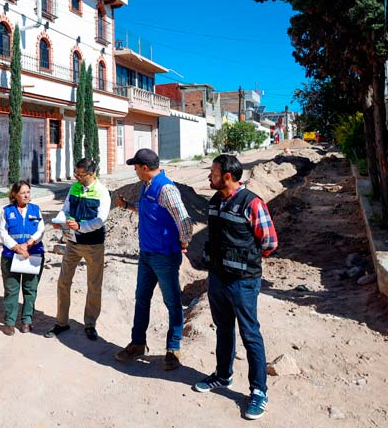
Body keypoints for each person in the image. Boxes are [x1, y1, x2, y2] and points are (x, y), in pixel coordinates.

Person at [192, 154, 278, 421]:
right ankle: (223, 375)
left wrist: (244, 263)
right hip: (217, 278)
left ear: (227, 176)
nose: (209, 176)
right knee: (224, 329)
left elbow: (270, 243)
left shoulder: (252, 203)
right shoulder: (216, 201)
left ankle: (259, 391)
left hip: (243, 282)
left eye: (214, 173)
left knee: (250, 334)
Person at [115, 148, 193, 371]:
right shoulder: (146, 186)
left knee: (172, 302)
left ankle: (173, 348)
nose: (135, 171)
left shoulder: (166, 188)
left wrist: (184, 242)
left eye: (136, 167)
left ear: (145, 168)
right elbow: (149, 210)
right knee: (142, 299)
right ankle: (138, 343)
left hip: (165, 256)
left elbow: (184, 220)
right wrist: (128, 206)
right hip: (146, 254)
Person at [45, 158, 111, 341]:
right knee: (63, 282)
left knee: (93, 285)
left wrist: (80, 226)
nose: (77, 177)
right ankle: (61, 322)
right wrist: (60, 221)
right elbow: (66, 209)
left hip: (93, 245)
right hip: (72, 244)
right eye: (76, 174)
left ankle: (90, 324)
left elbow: (100, 220)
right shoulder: (74, 188)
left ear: (91, 174)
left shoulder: (102, 192)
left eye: (80, 175)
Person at [0, 181, 45, 336]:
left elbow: (41, 229)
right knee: (11, 290)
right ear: (14, 195)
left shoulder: (35, 209)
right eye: (23, 193)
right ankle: (10, 323)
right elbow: (3, 233)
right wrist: (17, 248)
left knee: (30, 289)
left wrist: (28, 243)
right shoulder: (6, 211)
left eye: (28, 192)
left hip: (33, 254)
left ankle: (26, 321)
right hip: (11, 256)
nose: (26, 195)